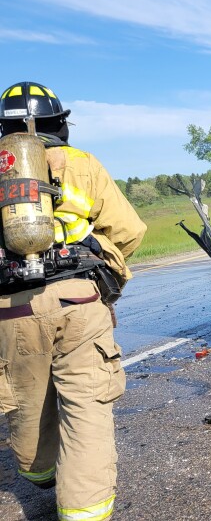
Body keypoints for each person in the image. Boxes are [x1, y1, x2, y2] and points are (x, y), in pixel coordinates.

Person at [0, 82, 146, 521]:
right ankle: (84, 511)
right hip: (79, 299)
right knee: (87, 411)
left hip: (11, 310)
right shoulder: (81, 163)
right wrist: (102, 260)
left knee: (25, 402)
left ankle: (39, 473)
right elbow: (130, 229)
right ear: (61, 123)